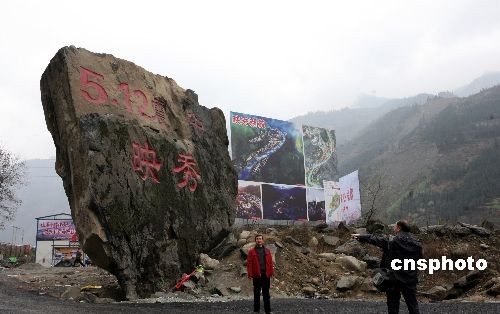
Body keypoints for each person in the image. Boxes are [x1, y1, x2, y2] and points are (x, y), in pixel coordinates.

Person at [352, 220, 422, 314]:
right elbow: (419, 260)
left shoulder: (392, 241)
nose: (393, 228)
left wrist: (361, 237)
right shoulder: (417, 244)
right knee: (413, 305)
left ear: (398, 228)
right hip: (409, 279)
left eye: (395, 226)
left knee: (393, 306)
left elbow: (375, 239)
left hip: (393, 278)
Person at [247, 234, 274, 314]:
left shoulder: (267, 251)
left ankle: (268, 311)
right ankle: (256, 310)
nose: (259, 240)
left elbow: (270, 263)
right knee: (256, 294)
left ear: (262, 240)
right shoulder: (251, 252)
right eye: (257, 239)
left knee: (266, 294)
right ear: (255, 241)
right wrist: (250, 274)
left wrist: (271, 273)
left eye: (260, 239)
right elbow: (249, 264)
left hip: (265, 275)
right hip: (256, 275)